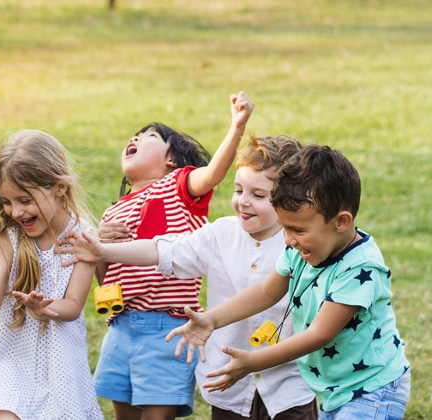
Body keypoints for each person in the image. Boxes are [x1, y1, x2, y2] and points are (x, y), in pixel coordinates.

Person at [58, 135, 316, 420]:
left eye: (258, 195)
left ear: (288, 200)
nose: (243, 202)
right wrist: (104, 249)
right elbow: (163, 250)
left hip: (287, 387)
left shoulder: (301, 245)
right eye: (238, 189)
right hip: (229, 386)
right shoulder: (220, 234)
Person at [166, 144, 411, 420]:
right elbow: (265, 292)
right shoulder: (298, 250)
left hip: (373, 389)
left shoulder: (360, 267)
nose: (287, 239)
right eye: (284, 227)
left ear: (341, 221)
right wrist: (212, 319)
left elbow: (319, 334)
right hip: (335, 390)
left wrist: (252, 362)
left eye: (297, 229)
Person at [92, 92, 254, 419]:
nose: (134, 139)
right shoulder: (113, 212)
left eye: (149, 137)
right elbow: (104, 276)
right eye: (134, 136)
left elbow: (212, 175)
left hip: (168, 327)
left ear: (172, 162)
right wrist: (98, 243)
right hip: (120, 326)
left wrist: (236, 127)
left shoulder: (178, 188)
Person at [0, 130, 103, 420]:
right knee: (6, 413)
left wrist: (46, 308)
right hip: (13, 357)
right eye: (5, 201)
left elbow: (73, 305)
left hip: (61, 365)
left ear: (58, 187)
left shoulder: (83, 239)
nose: (15, 211)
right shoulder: (10, 236)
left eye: (25, 200)